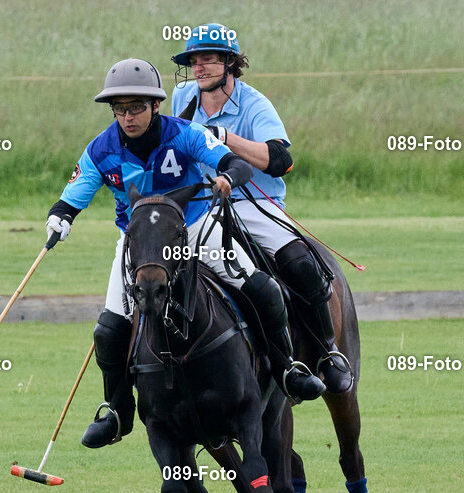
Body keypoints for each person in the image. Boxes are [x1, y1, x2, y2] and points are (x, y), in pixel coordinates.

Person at [44, 58, 326, 450]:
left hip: (193, 228)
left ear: (156, 105)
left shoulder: (185, 134)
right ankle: (117, 411)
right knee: (109, 329)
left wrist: (227, 177)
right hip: (139, 242)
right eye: (120, 109)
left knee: (263, 289)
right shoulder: (101, 150)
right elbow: (71, 199)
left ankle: (286, 369)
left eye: (137, 108)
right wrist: (60, 219)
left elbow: (234, 164)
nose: (128, 117)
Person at [171, 23, 353, 395]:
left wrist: (224, 139)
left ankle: (327, 353)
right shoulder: (180, 98)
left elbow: (280, 160)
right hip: (199, 208)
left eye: (208, 59)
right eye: (194, 61)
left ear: (229, 63)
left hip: (252, 204)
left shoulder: (254, 104)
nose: (199, 67)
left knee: (300, 261)